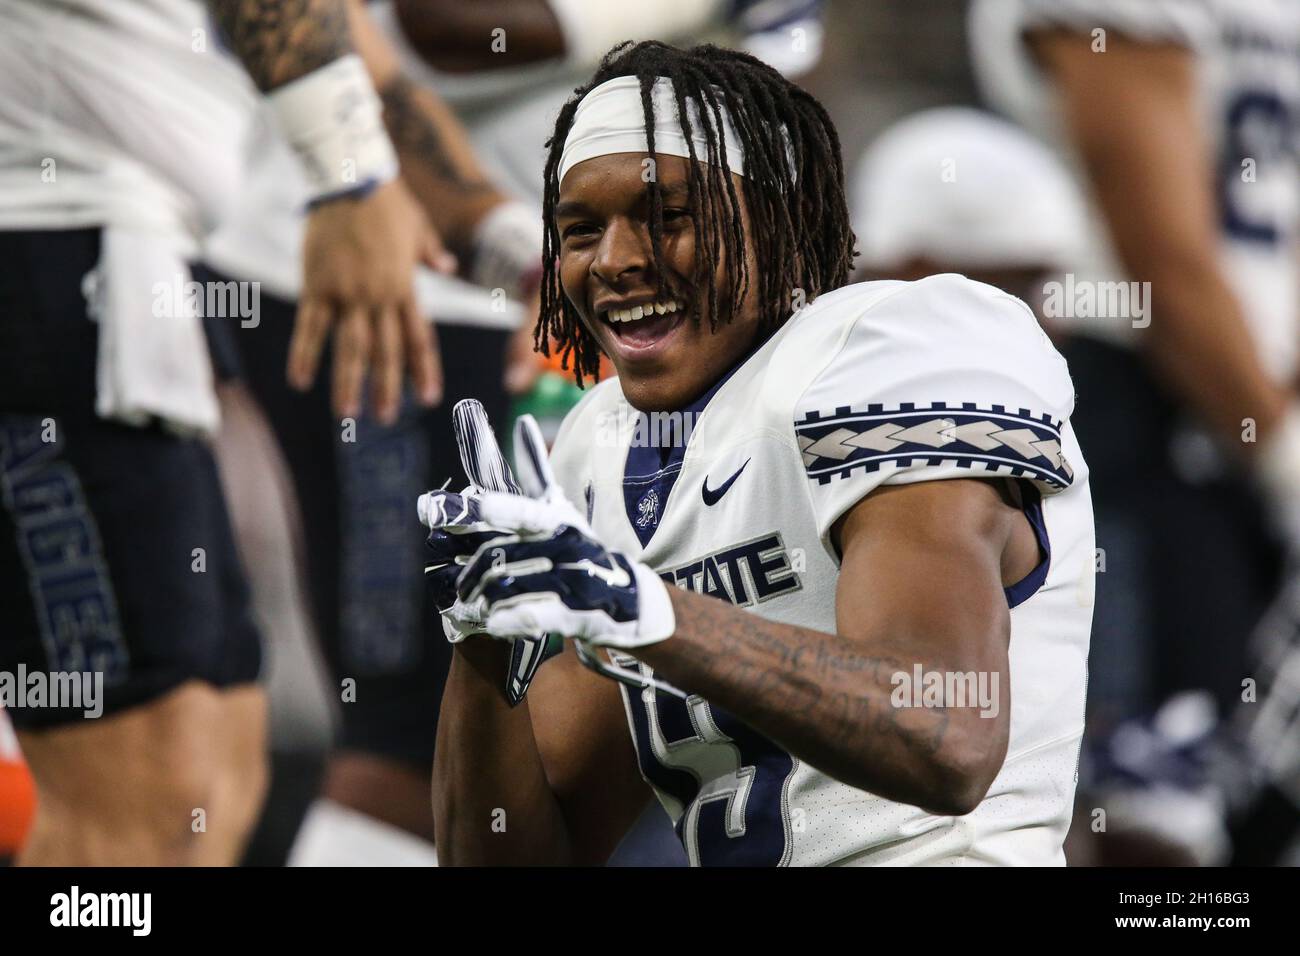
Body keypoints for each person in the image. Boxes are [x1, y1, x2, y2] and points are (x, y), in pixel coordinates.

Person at [423, 40, 1096, 866]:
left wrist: (646, 610)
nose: (615, 261)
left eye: (668, 216)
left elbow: (945, 733)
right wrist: (484, 646)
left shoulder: (892, 346)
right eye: (580, 230)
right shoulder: (600, 448)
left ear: (778, 221)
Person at [0, 0, 446, 865]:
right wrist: (351, 173)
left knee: (220, 761)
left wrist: (505, 234)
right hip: (46, 242)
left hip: (126, 257)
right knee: (145, 792)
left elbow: (364, 46)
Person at [969, 0, 1300, 864]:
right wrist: (1287, 460)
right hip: (1141, 415)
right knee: (1153, 818)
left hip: (1259, 431)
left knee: (1258, 815)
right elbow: (1163, 265)